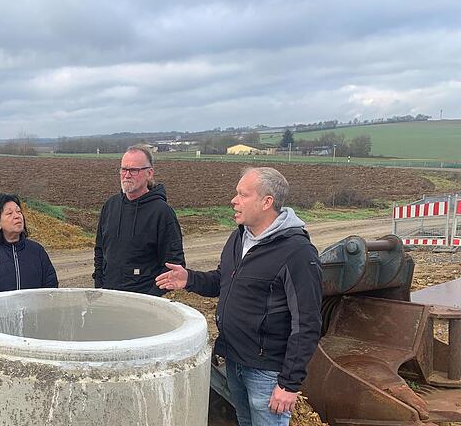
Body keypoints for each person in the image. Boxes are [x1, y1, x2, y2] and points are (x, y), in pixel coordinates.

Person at [155, 167, 322, 426]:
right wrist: (189, 279)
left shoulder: (297, 252)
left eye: (243, 194)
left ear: (267, 202)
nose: (234, 200)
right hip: (235, 361)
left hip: (267, 372)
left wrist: (288, 384)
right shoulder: (239, 237)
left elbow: (308, 323)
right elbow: (224, 281)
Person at [93, 144, 185, 296]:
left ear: (149, 173)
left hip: (144, 303)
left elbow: (173, 264)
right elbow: (100, 250)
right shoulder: (111, 206)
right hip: (109, 297)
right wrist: (99, 286)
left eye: (134, 170)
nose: (127, 175)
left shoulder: (162, 213)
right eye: (124, 169)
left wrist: (150, 297)